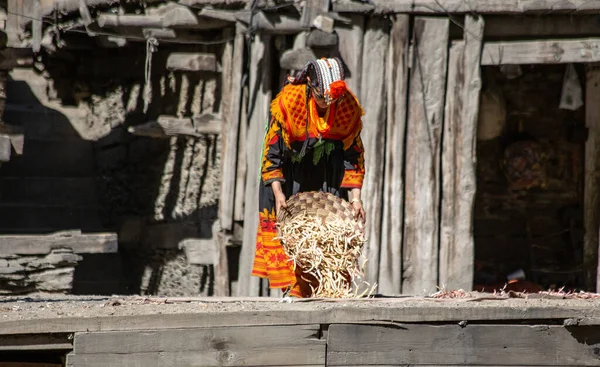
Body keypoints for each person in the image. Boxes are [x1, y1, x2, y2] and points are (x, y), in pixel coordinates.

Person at [251, 57, 366, 298]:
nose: (328, 102)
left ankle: (328, 291)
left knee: (329, 230)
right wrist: (279, 193)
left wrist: (355, 198)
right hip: (290, 172)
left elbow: (353, 154)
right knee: (289, 232)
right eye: (323, 97)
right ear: (311, 87)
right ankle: (295, 292)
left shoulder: (346, 106)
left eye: (333, 98)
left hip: (325, 171)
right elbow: (272, 152)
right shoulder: (290, 101)